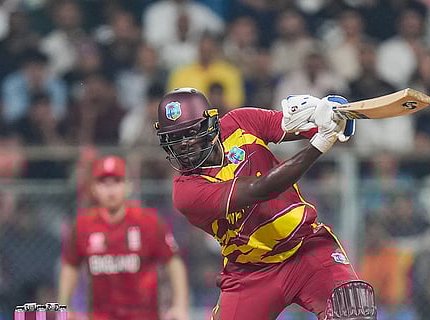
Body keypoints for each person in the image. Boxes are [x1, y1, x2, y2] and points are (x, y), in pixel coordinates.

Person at [154, 87, 377, 320]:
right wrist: (321, 142)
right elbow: (261, 189)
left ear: (209, 126)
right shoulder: (186, 192)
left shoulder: (240, 122)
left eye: (190, 133)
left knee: (352, 312)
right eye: (174, 139)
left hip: (306, 247)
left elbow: (292, 125)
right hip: (251, 271)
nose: (183, 146)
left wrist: (329, 114)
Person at [58, 155, 189, 320]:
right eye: (104, 183)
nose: (110, 190)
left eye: (117, 182)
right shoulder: (82, 226)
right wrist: (64, 307)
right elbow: (70, 265)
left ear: (128, 186)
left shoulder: (148, 221)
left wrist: (180, 306)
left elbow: (174, 262)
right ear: (93, 188)